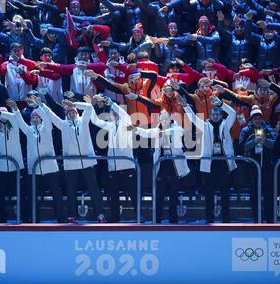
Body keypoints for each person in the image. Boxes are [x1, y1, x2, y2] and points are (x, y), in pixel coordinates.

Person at [36, 95, 107, 223]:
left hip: (87, 161)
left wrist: (74, 104)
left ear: (76, 112)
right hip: (71, 163)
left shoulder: (83, 121)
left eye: (73, 111)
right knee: (71, 190)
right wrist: (41, 104)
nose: (72, 113)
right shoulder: (63, 125)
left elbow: (89, 107)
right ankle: (72, 215)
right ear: (66, 114)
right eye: (69, 112)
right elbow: (51, 115)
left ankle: (100, 214)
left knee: (94, 189)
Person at [179, 94, 237, 223]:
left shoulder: (226, 125)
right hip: (209, 165)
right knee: (209, 195)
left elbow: (232, 113)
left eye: (218, 114)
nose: (216, 116)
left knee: (225, 195)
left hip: (224, 164)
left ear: (221, 115)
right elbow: (193, 119)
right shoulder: (205, 126)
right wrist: (185, 106)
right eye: (213, 114)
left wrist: (221, 104)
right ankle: (209, 219)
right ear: (210, 116)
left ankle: (226, 219)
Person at [5, 98, 64, 223]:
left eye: (37, 117)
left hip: (50, 167)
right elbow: (20, 122)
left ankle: (60, 217)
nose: (35, 119)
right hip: (34, 169)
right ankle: (34, 218)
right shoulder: (28, 131)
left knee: (56, 193)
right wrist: (15, 109)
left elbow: (47, 116)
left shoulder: (47, 127)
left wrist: (37, 107)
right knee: (32, 195)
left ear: (41, 119)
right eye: (33, 117)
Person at [131, 110, 190, 224]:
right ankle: (157, 220)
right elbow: (146, 132)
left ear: (170, 119)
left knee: (174, 194)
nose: (164, 120)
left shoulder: (176, 128)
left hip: (174, 165)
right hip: (162, 165)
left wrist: (164, 132)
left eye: (166, 118)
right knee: (159, 194)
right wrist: (135, 129)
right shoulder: (157, 130)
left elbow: (180, 131)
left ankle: (173, 220)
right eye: (161, 118)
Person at [89, 94, 139, 223]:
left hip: (127, 164)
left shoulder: (126, 123)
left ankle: (139, 215)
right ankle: (115, 216)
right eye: (112, 114)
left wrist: (111, 103)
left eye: (115, 113)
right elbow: (95, 120)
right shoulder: (110, 126)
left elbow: (124, 114)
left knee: (133, 192)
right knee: (113, 194)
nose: (113, 116)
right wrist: (90, 106)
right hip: (113, 166)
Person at [240, 105, 276, 223]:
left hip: (266, 166)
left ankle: (269, 219)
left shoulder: (268, 129)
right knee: (254, 195)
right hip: (252, 168)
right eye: (255, 118)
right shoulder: (246, 130)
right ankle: (257, 219)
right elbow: (242, 147)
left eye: (259, 118)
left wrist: (264, 140)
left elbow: (273, 145)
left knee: (268, 194)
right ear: (251, 119)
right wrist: (254, 141)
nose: (258, 121)